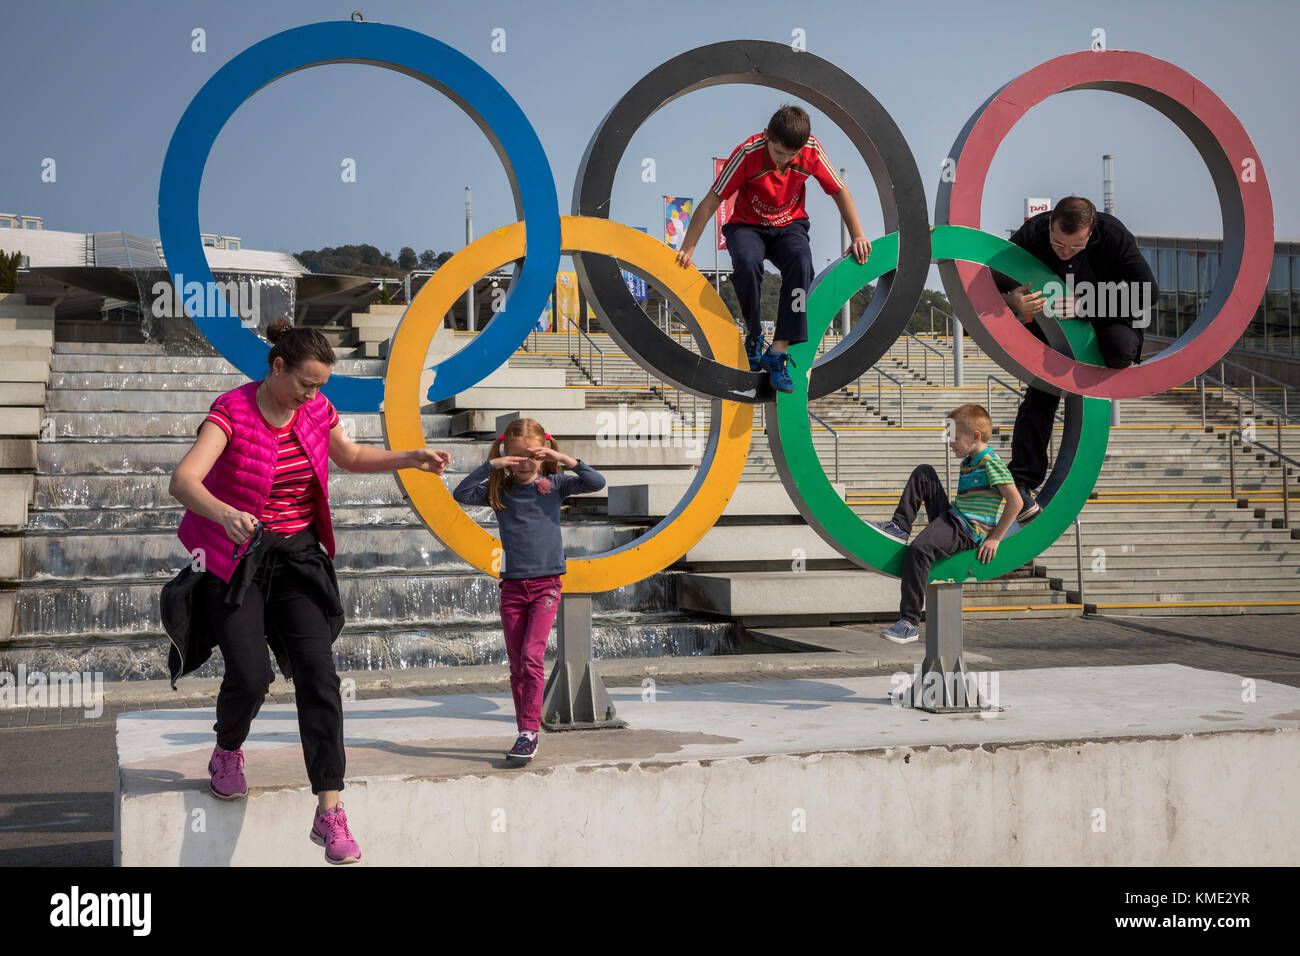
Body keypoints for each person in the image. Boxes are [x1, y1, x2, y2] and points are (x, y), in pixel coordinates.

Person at [163, 317, 451, 864]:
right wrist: (225, 514)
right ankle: (227, 751)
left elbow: (348, 456)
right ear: (277, 368)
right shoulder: (232, 411)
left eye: (320, 386)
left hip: (297, 559)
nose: (313, 394)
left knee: (320, 677)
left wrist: (410, 457)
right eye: (306, 383)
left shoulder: (316, 410)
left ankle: (329, 809)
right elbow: (183, 480)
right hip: (236, 563)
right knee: (250, 676)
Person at [674, 104, 872, 393]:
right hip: (747, 226)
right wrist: (688, 248)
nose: (784, 161)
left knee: (802, 262)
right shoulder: (747, 153)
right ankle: (753, 332)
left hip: (789, 226)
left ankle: (778, 350)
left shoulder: (811, 150)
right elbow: (711, 202)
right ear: (767, 136)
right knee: (746, 261)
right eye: (779, 153)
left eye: (792, 156)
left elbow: (840, 191)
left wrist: (857, 235)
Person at [993, 195, 1157, 521]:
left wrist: (1086, 305)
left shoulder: (1112, 234)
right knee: (1042, 392)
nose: (1065, 252)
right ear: (1051, 223)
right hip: (1054, 329)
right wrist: (1014, 301)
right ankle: (1021, 484)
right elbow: (989, 280)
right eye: (1058, 244)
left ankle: (1111, 342)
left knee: (1120, 351)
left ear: (1091, 231)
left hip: (1104, 316)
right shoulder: (1033, 231)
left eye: (1075, 247)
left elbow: (1147, 292)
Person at [452, 418, 606, 762]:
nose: (525, 464)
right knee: (517, 664)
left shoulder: (556, 485)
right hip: (512, 587)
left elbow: (596, 482)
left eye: (532, 457)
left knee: (532, 656)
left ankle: (528, 732)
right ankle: (524, 727)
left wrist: (559, 457)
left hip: (546, 585)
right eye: (517, 457)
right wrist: (491, 465)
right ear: (507, 455)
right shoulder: (499, 490)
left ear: (542, 454)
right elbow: (460, 493)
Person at [870, 404, 1021, 644]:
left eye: (954, 438)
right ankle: (899, 527)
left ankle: (909, 622)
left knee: (919, 550)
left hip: (967, 531)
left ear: (975, 436)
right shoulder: (968, 462)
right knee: (924, 472)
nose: (950, 443)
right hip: (954, 517)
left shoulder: (991, 463)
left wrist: (995, 538)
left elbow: (1015, 502)